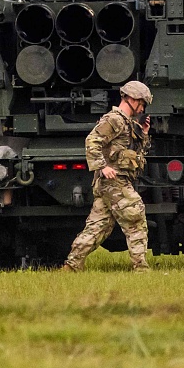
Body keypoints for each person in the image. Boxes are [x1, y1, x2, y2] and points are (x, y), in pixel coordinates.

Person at [63, 81, 153, 272]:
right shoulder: (114, 120)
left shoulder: (128, 123)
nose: (142, 108)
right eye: (142, 103)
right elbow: (92, 141)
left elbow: (135, 153)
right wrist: (102, 167)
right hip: (114, 181)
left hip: (114, 182)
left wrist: (143, 134)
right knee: (135, 217)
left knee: (98, 227)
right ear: (132, 99)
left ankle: (72, 266)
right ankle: (141, 269)